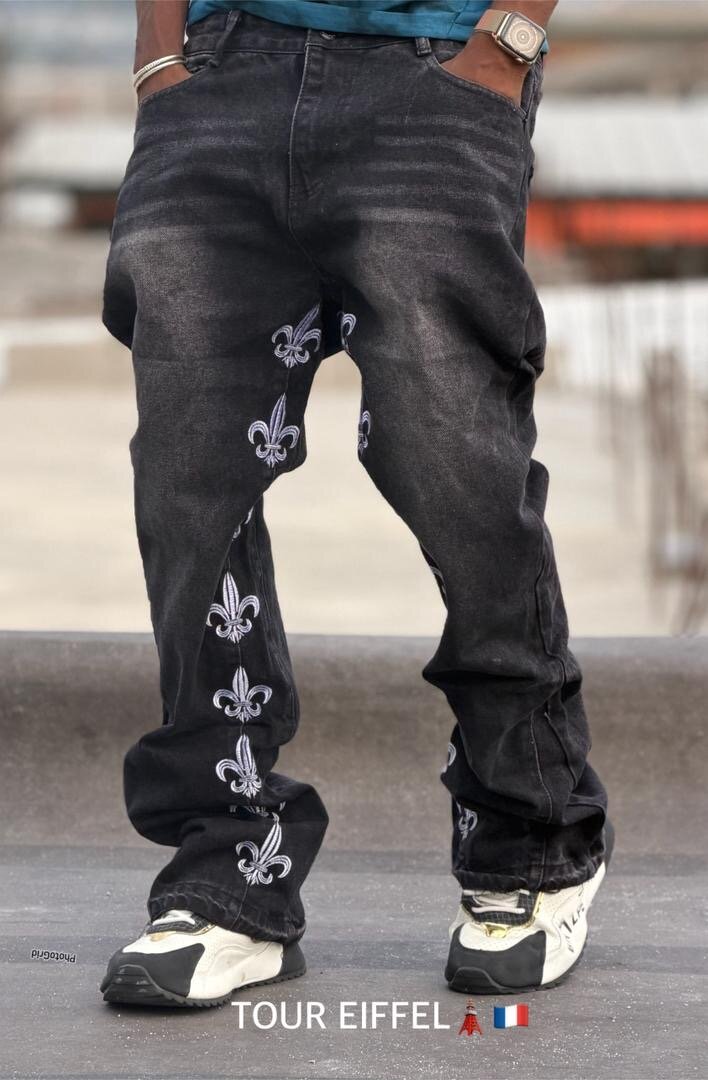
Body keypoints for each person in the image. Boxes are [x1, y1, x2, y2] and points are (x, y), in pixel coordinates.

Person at [100, 0, 614, 1008]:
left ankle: (533, 836)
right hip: (223, 64)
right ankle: (229, 875)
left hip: (437, 66)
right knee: (189, 478)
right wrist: (159, 58)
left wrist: (507, 38)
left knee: (454, 462)